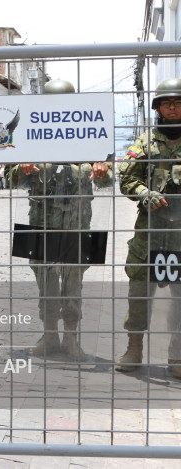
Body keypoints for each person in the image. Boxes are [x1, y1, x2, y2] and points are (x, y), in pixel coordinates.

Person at [7, 79, 112, 361]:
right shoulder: (30, 135)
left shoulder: (91, 135)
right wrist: (21, 167)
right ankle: (50, 335)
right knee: (46, 281)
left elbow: (109, 180)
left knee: (74, 282)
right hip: (41, 223)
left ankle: (72, 339)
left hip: (78, 223)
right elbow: (9, 176)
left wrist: (102, 168)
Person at [118, 78, 181, 377]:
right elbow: (128, 178)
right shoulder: (146, 141)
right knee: (139, 292)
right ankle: (134, 347)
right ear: (158, 107)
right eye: (167, 103)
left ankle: (177, 356)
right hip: (149, 234)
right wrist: (145, 193)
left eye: (178, 102)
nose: (173, 107)